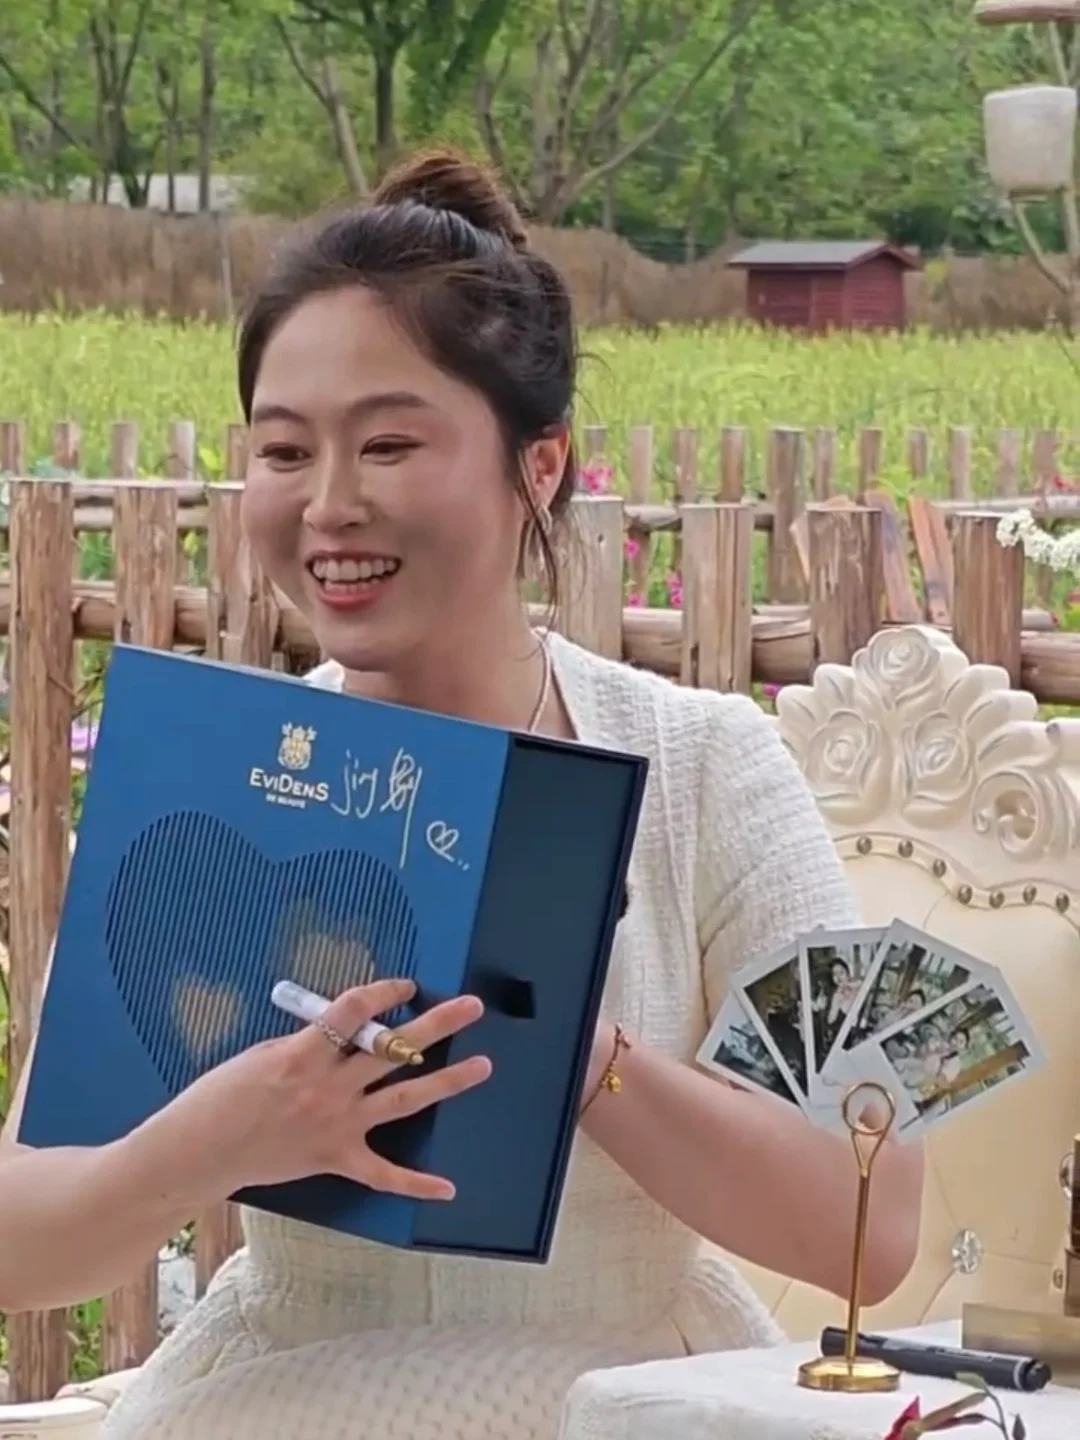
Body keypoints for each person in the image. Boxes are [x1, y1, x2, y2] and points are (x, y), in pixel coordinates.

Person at [0, 149, 924, 1439]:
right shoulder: (212, 776)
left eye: (388, 443)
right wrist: (220, 1140)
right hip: (287, 1396)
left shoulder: (713, 764)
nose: (330, 505)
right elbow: (20, 1240)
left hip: (620, 1398)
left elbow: (873, 1223)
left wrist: (582, 1060)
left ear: (539, 466)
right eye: (284, 450)